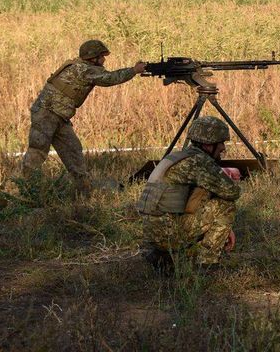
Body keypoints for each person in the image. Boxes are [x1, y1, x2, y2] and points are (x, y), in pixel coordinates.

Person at [21, 39, 146, 195]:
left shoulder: (82, 67)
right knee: (37, 152)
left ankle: (85, 190)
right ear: (93, 57)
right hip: (47, 114)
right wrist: (134, 70)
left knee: (73, 151)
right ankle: (18, 189)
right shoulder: (84, 69)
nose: (104, 59)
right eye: (102, 56)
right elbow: (110, 78)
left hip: (59, 116)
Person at [137, 116, 240, 270]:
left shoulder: (178, 157)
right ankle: (206, 263)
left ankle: (165, 257)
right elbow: (232, 192)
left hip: (152, 234)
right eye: (221, 143)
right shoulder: (198, 162)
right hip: (169, 234)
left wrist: (226, 228)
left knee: (204, 196)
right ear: (208, 144)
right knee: (226, 205)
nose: (223, 148)